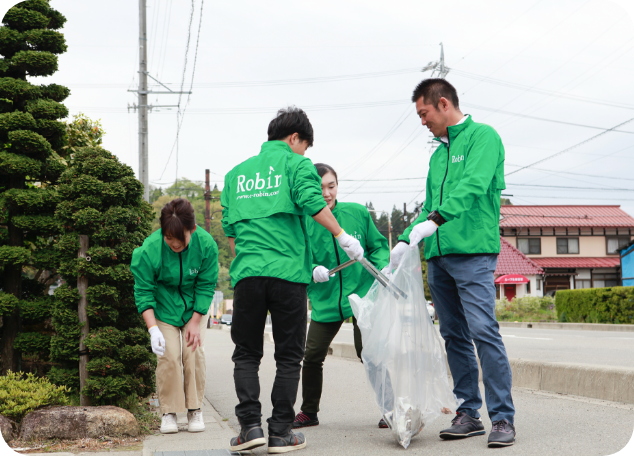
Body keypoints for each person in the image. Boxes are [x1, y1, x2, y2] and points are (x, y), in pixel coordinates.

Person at [221, 107, 365, 454]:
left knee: (246, 353)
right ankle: (280, 433)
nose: (305, 154)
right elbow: (312, 202)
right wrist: (342, 235)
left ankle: (249, 428)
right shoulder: (296, 164)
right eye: (305, 147)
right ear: (294, 138)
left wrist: (249, 262)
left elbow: (230, 230)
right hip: (287, 277)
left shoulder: (236, 174)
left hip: (249, 275)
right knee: (288, 356)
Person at [387, 79, 515, 448]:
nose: (422, 122)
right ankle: (468, 413)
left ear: (443, 104)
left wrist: (436, 220)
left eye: (424, 114)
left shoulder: (483, 137)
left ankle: (503, 418)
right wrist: (404, 238)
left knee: (483, 331)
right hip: (438, 257)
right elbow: (429, 206)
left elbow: (473, 185)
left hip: (473, 251)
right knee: (454, 336)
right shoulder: (437, 155)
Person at [292, 163, 390, 430]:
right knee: (311, 355)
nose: (326, 193)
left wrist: (382, 269)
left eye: (331, 186)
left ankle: (390, 409)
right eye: (320, 187)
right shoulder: (303, 222)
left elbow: (378, 246)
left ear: (338, 186)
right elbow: (299, 259)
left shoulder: (358, 213)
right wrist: (312, 270)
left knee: (368, 352)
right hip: (326, 298)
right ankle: (309, 411)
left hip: (362, 295)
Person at [131, 198, 219, 434]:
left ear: (193, 229)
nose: (174, 244)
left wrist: (196, 320)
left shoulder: (206, 245)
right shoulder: (150, 249)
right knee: (168, 356)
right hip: (163, 308)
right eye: (169, 238)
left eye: (181, 239)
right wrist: (152, 329)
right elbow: (143, 290)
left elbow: (206, 284)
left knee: (193, 353)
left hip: (193, 308)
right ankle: (168, 413)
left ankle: (194, 410)